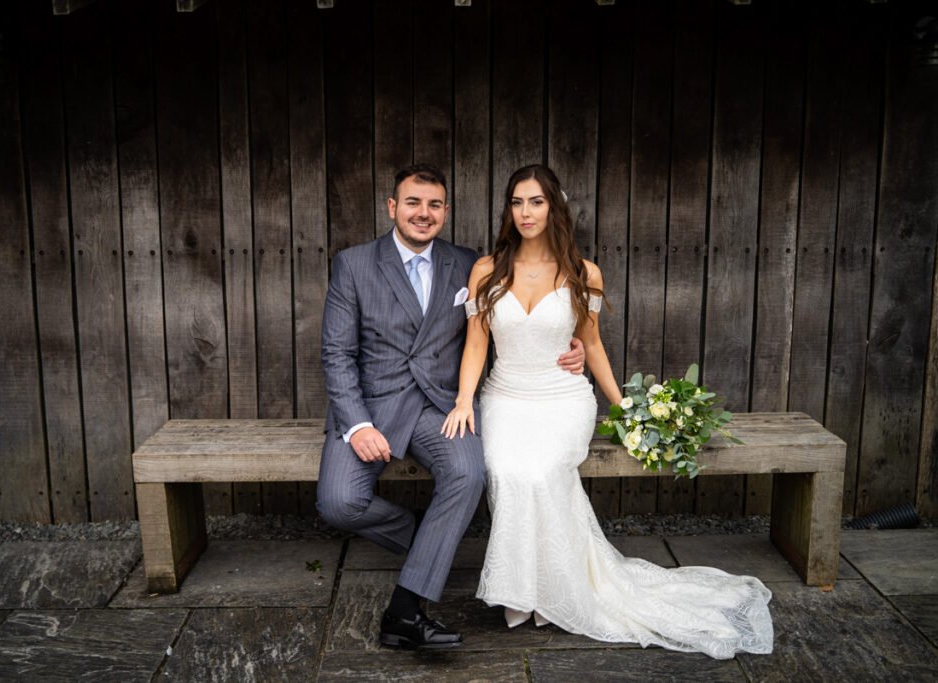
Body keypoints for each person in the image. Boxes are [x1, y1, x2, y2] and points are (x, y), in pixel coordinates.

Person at [441, 164, 774, 660]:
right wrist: (465, 398)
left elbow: (591, 344)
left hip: (562, 398)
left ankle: (552, 592)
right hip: (505, 395)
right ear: (507, 210)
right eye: (517, 202)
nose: (526, 212)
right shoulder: (487, 270)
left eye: (536, 201)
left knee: (541, 469)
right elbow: (475, 345)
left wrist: (625, 410)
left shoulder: (583, 272)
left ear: (553, 206)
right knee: (508, 469)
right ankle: (525, 593)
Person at [317, 163, 586, 650]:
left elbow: (512, 319)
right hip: (373, 407)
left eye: (435, 204)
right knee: (338, 502)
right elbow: (338, 355)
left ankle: (406, 610)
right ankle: (427, 537)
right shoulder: (354, 264)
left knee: (467, 472)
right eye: (414, 203)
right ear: (392, 207)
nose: (424, 213)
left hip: (441, 408)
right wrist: (356, 425)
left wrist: (573, 346)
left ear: (446, 211)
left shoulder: (469, 264)